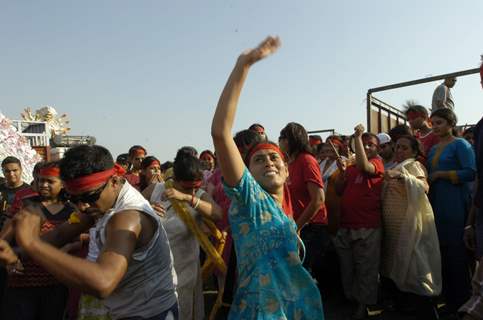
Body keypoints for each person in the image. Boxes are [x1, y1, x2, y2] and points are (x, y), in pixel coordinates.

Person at [211, 36, 324, 319]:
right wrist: (244, 65)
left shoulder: (285, 211)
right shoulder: (251, 200)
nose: (269, 162)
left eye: (275, 157)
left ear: (287, 171)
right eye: (258, 160)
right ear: (248, 173)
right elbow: (220, 132)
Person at [0, 145, 178, 320]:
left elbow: (102, 282)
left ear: (114, 181)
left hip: (150, 314)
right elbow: (60, 235)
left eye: (88, 197)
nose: (82, 206)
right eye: (74, 198)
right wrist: (13, 252)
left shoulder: (128, 217)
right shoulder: (99, 202)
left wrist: (32, 244)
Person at [142, 149, 222, 320]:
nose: (193, 192)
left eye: (196, 188)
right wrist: (147, 209)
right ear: (174, 180)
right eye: (187, 188)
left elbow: (217, 214)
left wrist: (188, 198)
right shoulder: (155, 190)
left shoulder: (198, 196)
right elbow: (129, 212)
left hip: (185, 269)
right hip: (154, 269)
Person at [1, 162, 74, 320]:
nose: (43, 185)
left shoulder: (73, 210)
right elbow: (3, 241)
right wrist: (9, 261)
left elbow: (81, 239)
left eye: (50, 181)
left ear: (63, 184)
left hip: (57, 283)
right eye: (41, 180)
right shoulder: (25, 205)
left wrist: (69, 246)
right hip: (23, 283)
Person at [381, 135, 441, 319]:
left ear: (414, 152)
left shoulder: (412, 166)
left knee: (415, 268)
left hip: (409, 226)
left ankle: (426, 312)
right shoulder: (392, 167)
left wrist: (403, 176)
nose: (399, 151)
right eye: (397, 147)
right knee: (396, 267)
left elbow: (424, 186)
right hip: (392, 228)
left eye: (404, 148)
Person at [427, 108, 475, 315]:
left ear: (450, 123)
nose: (435, 127)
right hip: (437, 206)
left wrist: (442, 174)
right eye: (433, 123)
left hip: (456, 204)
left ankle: (463, 303)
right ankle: (448, 301)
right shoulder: (432, 148)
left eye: (439, 123)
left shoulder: (461, 145)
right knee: (442, 255)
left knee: (457, 256)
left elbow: (471, 172)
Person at [334, 125, 384, 319]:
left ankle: (363, 306)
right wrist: (342, 172)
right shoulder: (352, 167)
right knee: (348, 268)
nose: (367, 147)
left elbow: (365, 167)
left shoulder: (376, 163)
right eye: (363, 144)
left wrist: (357, 137)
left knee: (366, 269)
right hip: (346, 225)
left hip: (367, 226)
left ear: (377, 149)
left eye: (370, 144)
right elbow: (339, 190)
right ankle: (353, 299)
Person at [279, 122, 329, 289]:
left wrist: (297, 226)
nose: (279, 140)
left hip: (312, 227)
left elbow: (318, 199)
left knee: (305, 276)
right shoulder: (288, 164)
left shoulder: (306, 160)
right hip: (298, 226)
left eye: (283, 137)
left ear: (293, 139)